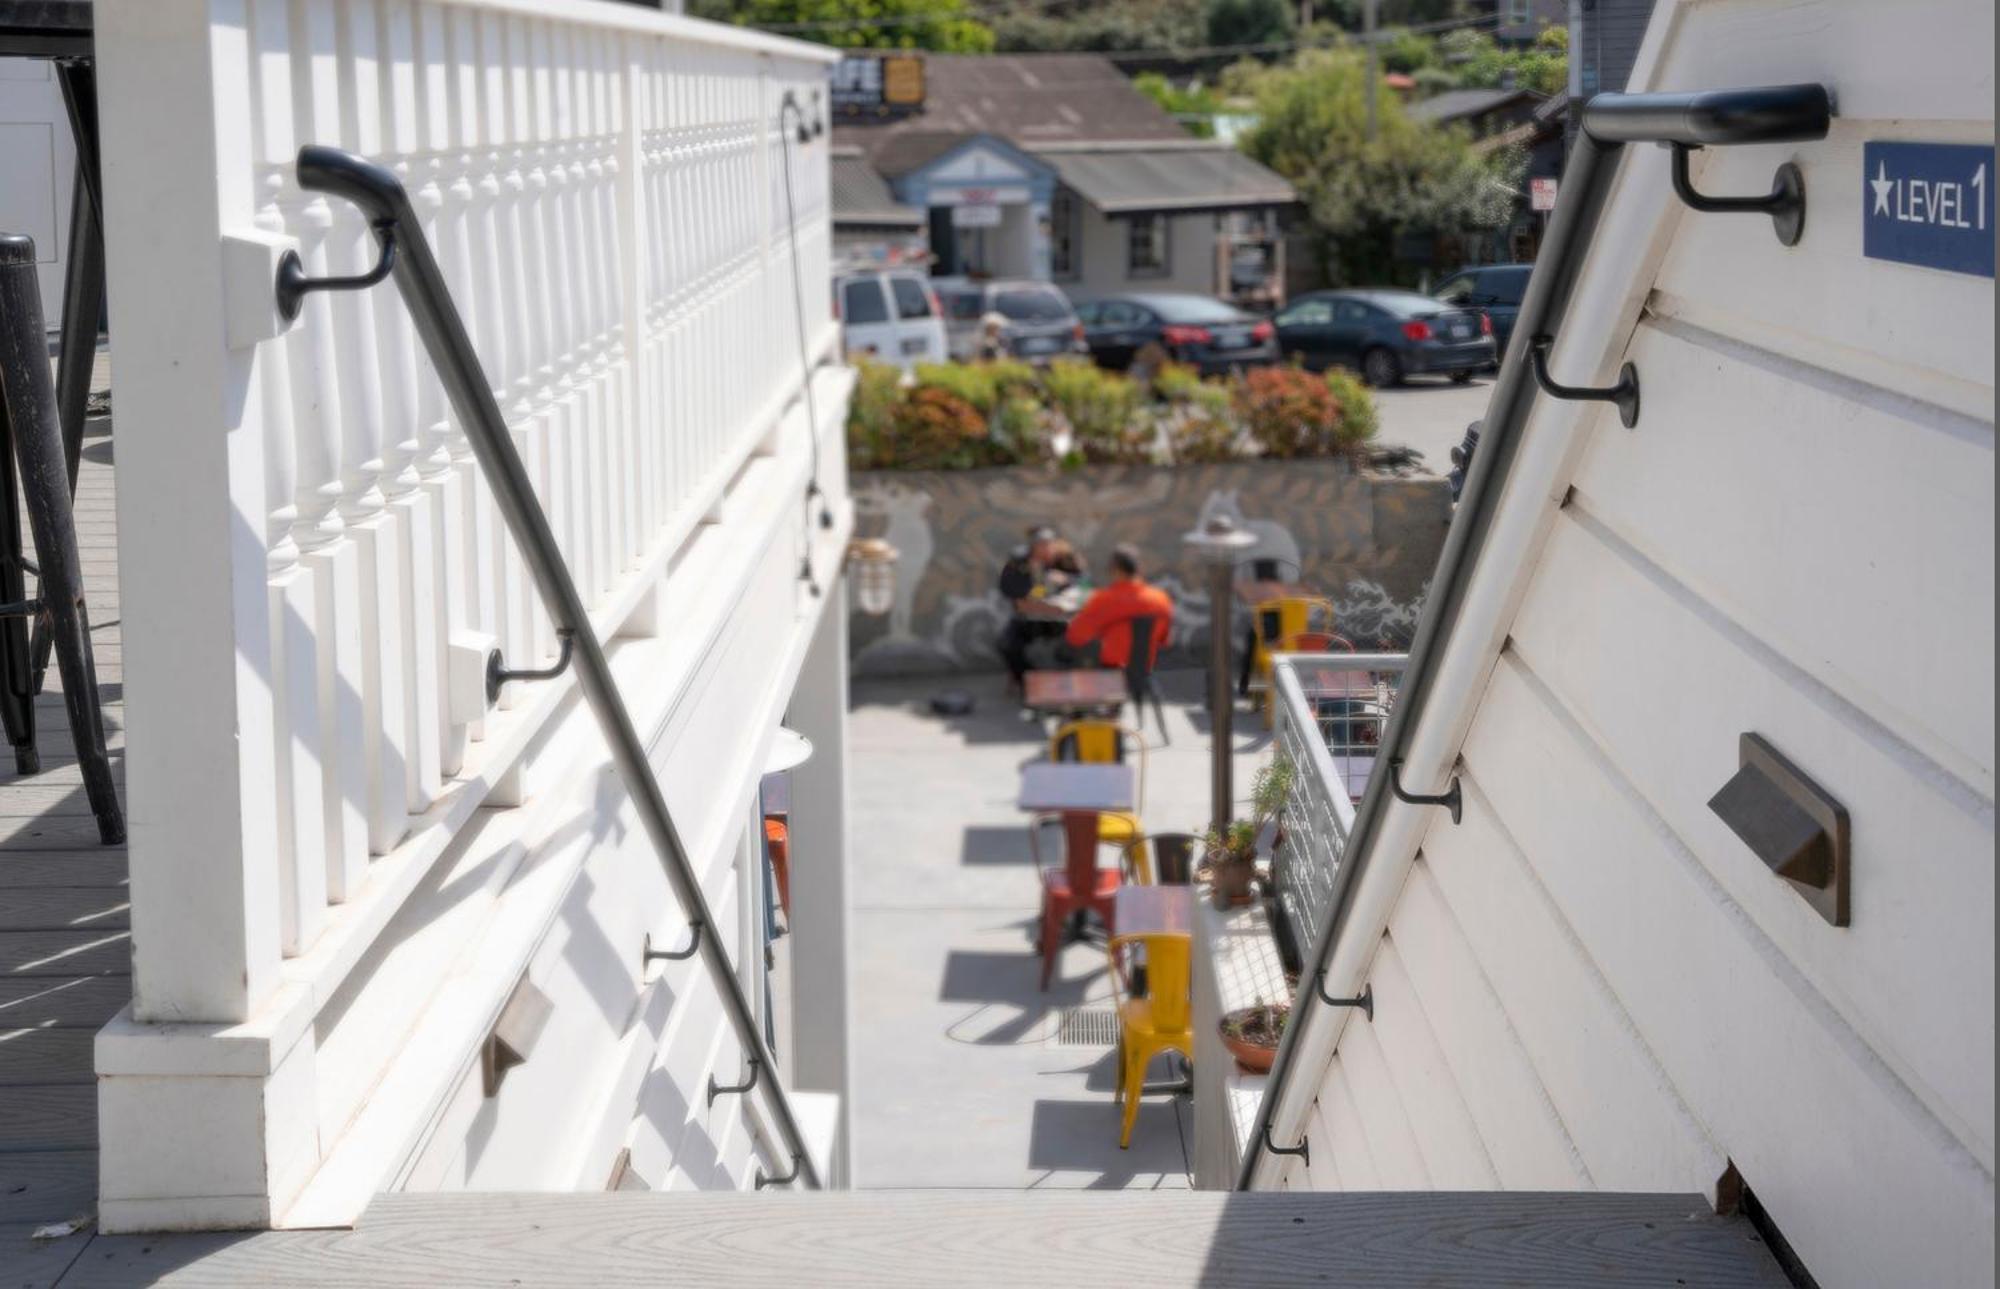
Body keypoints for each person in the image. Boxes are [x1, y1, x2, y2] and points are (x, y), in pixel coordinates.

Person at [1064, 543, 1172, 673]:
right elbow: (1164, 640)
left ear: (1115, 569)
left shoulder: (1105, 599)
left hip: (1111, 677)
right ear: (1139, 568)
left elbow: (1075, 636)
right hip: (1147, 675)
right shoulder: (1161, 599)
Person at [997, 525, 1074, 692]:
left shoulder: (1063, 559)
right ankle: (1027, 684)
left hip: (1061, 621)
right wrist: (1037, 585)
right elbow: (1014, 594)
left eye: (1049, 544)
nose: (1046, 549)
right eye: (1041, 545)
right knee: (1008, 645)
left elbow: (1082, 582)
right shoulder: (1019, 564)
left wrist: (1065, 580)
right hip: (1028, 620)